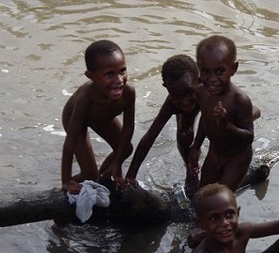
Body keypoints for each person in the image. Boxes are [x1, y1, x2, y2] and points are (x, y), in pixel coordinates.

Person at [61, 40, 135, 194]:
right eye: (109, 74)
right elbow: (70, 143)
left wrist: (118, 164)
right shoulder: (86, 97)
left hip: (103, 118)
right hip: (76, 121)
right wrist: (66, 180)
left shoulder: (128, 92)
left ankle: (104, 178)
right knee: (89, 174)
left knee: (126, 148)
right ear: (91, 76)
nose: (119, 80)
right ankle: (63, 195)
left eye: (122, 71)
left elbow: (128, 127)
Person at [189, 35, 258, 192]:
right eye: (205, 72)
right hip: (215, 153)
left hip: (237, 157)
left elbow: (248, 137)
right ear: (199, 69)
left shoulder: (239, 100)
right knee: (202, 197)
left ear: (233, 69)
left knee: (221, 197)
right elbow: (205, 120)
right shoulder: (201, 91)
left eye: (220, 71)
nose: (212, 79)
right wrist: (196, 146)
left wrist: (226, 125)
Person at [125, 54, 201, 195]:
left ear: (200, 81)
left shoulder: (207, 92)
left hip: (208, 108)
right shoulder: (173, 103)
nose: (185, 101)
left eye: (189, 93)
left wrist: (197, 147)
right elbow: (149, 137)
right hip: (183, 111)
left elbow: (209, 124)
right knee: (184, 136)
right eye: (177, 96)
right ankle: (190, 170)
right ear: (166, 87)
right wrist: (131, 175)